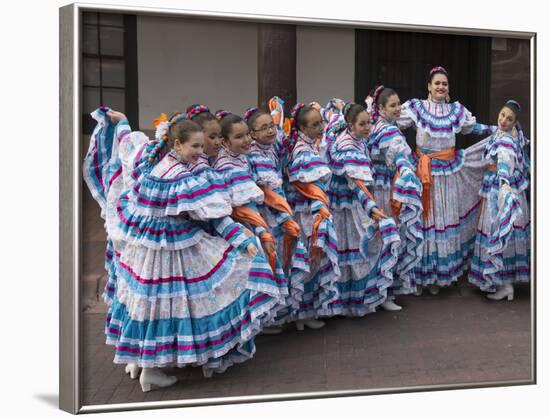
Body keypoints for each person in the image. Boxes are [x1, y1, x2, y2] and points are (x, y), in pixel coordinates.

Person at [89, 110, 287, 392]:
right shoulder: (181, 175)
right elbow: (214, 216)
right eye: (195, 146)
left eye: (200, 145)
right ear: (178, 145)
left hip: (150, 249)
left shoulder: (156, 165)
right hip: (173, 249)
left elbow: (129, 153)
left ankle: (139, 360)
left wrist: (122, 123)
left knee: (147, 303)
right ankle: (151, 369)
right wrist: (244, 241)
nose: (200, 151)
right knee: (179, 301)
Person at [396, 66, 496, 294]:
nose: (441, 87)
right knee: (423, 222)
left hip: (448, 174)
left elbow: (473, 128)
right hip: (423, 172)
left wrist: (495, 130)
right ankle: (420, 276)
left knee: (442, 221)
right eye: (437, 83)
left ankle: (439, 276)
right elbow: (393, 123)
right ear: (429, 86)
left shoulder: (456, 111)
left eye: (444, 83)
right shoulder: (416, 108)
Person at [320, 101, 402, 316]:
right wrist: (372, 208)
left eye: (369, 123)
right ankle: (364, 298)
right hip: (348, 205)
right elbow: (356, 183)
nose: (368, 128)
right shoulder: (348, 145)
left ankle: (368, 297)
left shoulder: (356, 138)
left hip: (352, 201)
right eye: (363, 124)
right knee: (366, 243)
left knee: (358, 247)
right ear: (351, 125)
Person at [245, 99, 309, 330]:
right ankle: (269, 318)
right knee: (274, 259)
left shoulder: (272, 146)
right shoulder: (252, 155)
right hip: (266, 214)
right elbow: (267, 189)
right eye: (264, 128)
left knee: (285, 257)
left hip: (280, 209)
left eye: (271, 125)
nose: (271, 130)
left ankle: (286, 313)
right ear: (251, 133)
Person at [283, 103, 341, 329]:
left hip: (311, 210)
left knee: (311, 260)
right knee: (308, 259)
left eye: (321, 122)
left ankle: (304, 314)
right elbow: (310, 186)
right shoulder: (302, 151)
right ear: (302, 127)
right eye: (315, 125)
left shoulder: (311, 146)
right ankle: (301, 315)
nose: (321, 127)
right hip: (306, 212)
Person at [365, 86, 424, 303]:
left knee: (384, 236)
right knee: (386, 237)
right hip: (382, 188)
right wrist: (407, 170)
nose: (398, 108)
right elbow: (399, 153)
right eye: (393, 105)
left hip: (382, 184)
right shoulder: (387, 130)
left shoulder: (382, 125)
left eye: (399, 104)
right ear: (381, 108)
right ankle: (384, 293)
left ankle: (382, 291)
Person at [468, 100, 530, 300]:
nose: (503, 120)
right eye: (502, 115)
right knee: (507, 233)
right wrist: (463, 123)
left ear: (515, 122)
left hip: (500, 190)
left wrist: (503, 182)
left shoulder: (505, 140)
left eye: (509, 119)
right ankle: (506, 283)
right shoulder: (514, 134)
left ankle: (504, 285)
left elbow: (504, 161)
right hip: (509, 188)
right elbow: (486, 129)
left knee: (498, 230)